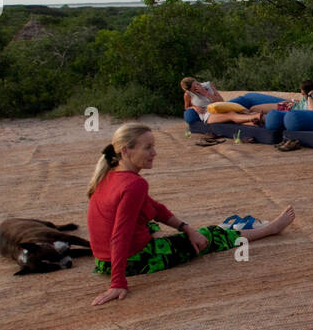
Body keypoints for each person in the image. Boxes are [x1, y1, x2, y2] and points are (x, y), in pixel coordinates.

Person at [87, 122, 295, 305]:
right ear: (125, 151)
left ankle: (190, 233)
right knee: (211, 235)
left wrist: (185, 228)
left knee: (153, 223)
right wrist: (118, 283)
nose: (154, 153)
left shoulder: (111, 174)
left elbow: (155, 209)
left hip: (102, 260)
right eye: (147, 148)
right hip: (134, 260)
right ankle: (270, 229)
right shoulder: (134, 184)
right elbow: (120, 234)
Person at [181, 77, 273, 127]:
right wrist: (194, 107)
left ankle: (254, 122)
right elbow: (186, 107)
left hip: (219, 106)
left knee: (240, 111)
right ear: (190, 90)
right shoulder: (188, 94)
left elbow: (221, 100)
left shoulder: (208, 85)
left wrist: (205, 93)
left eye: (197, 84)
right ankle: (257, 117)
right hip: (207, 114)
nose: (197, 87)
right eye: (194, 88)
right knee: (231, 114)